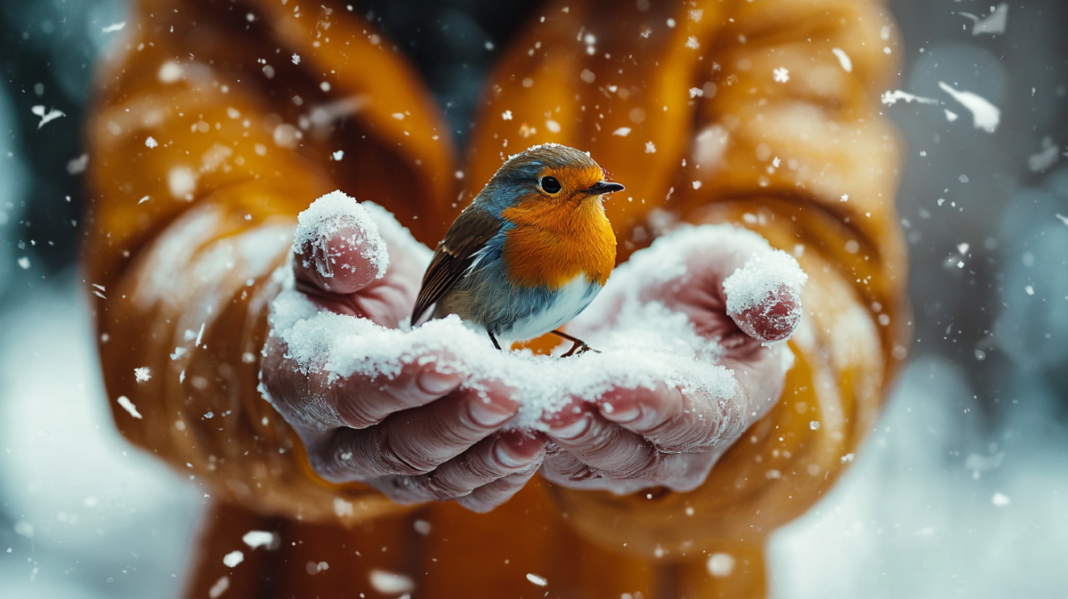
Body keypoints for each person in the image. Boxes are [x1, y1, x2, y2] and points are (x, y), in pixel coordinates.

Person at [84, 0, 908, 596]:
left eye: (591, 188)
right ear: (525, 195)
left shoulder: (775, 18)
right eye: (560, 185)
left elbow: (827, 251)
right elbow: (161, 262)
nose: (589, 197)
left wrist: (760, 378)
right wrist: (269, 321)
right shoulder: (222, 16)